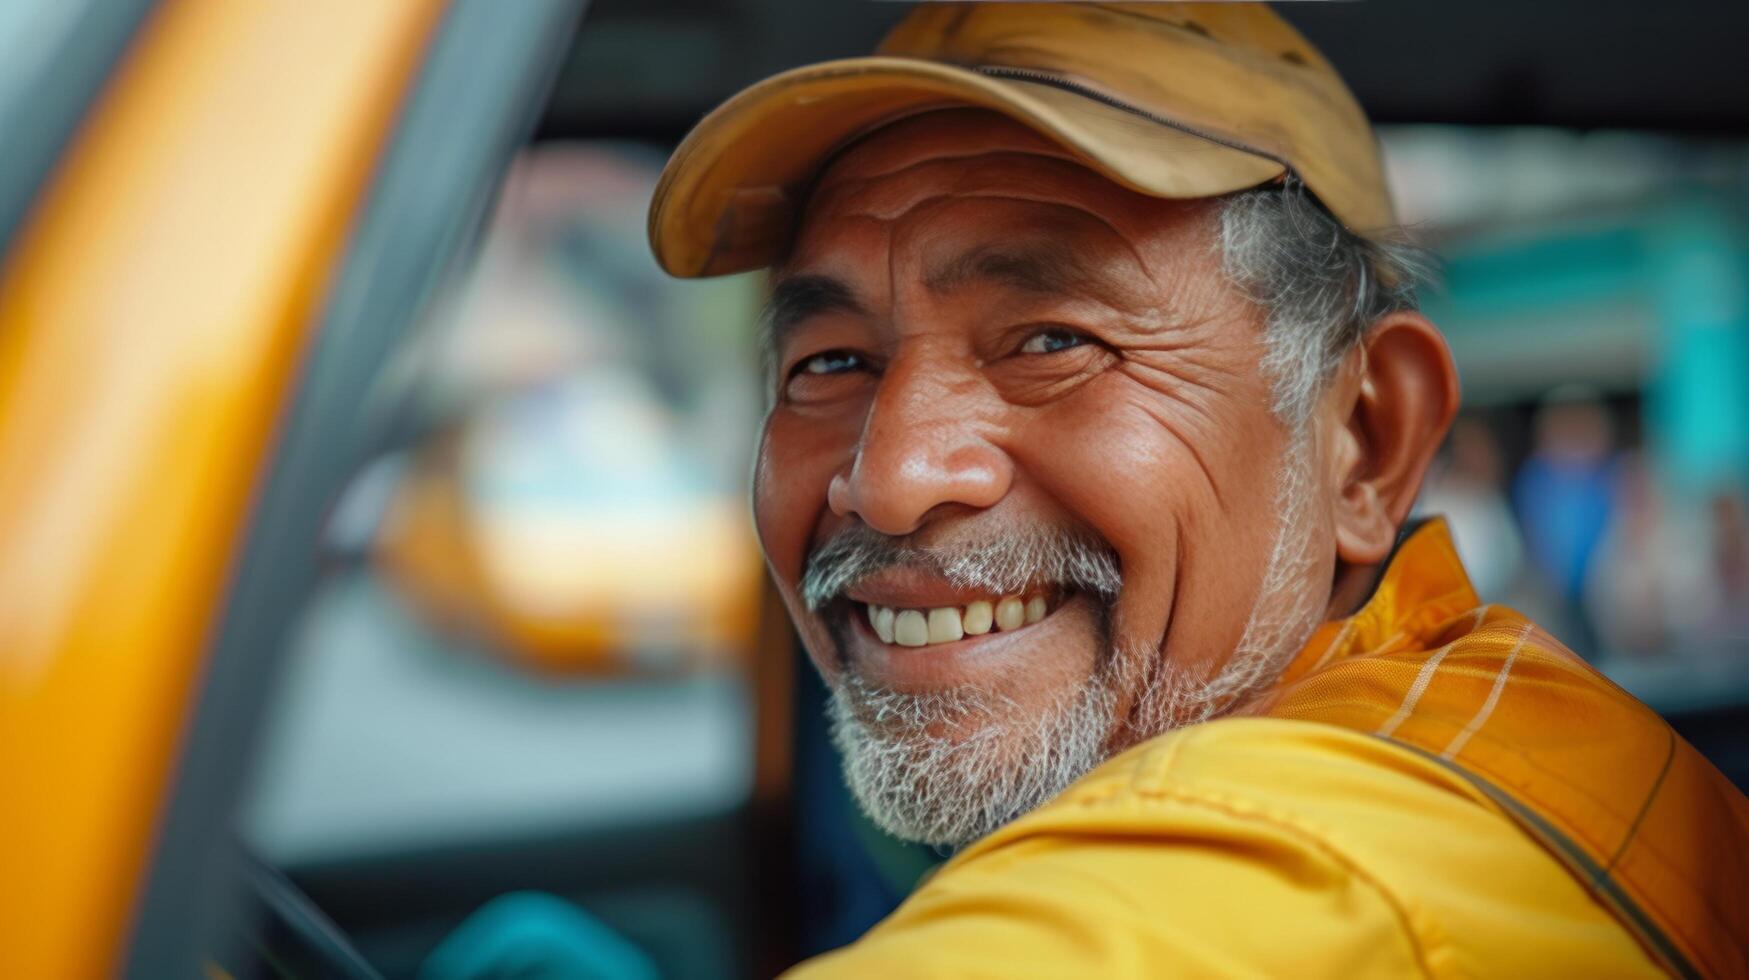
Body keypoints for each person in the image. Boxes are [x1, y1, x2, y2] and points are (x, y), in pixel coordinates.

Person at [647, 4, 1749, 975]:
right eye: (828, 362)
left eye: (1050, 338)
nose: (888, 480)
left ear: (1362, 440)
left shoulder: (1297, 876)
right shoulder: (1468, 748)